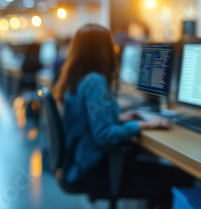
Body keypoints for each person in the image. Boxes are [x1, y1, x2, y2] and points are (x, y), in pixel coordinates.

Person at [53, 24, 193, 209]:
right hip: (95, 169)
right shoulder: (94, 81)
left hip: (80, 164)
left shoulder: (77, 78)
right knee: (181, 177)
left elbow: (88, 119)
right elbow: (104, 136)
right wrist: (143, 125)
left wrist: (118, 118)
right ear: (103, 50)